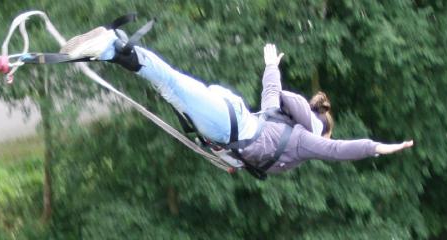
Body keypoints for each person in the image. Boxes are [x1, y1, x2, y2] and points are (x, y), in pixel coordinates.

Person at [59, 23, 413, 174]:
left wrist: (271, 65)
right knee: (170, 82)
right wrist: (378, 147)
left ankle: (113, 50)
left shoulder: (283, 123)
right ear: (324, 130)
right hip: (228, 124)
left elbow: (271, 94)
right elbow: (337, 151)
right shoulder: (305, 140)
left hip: (228, 112)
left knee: (167, 86)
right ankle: (111, 43)